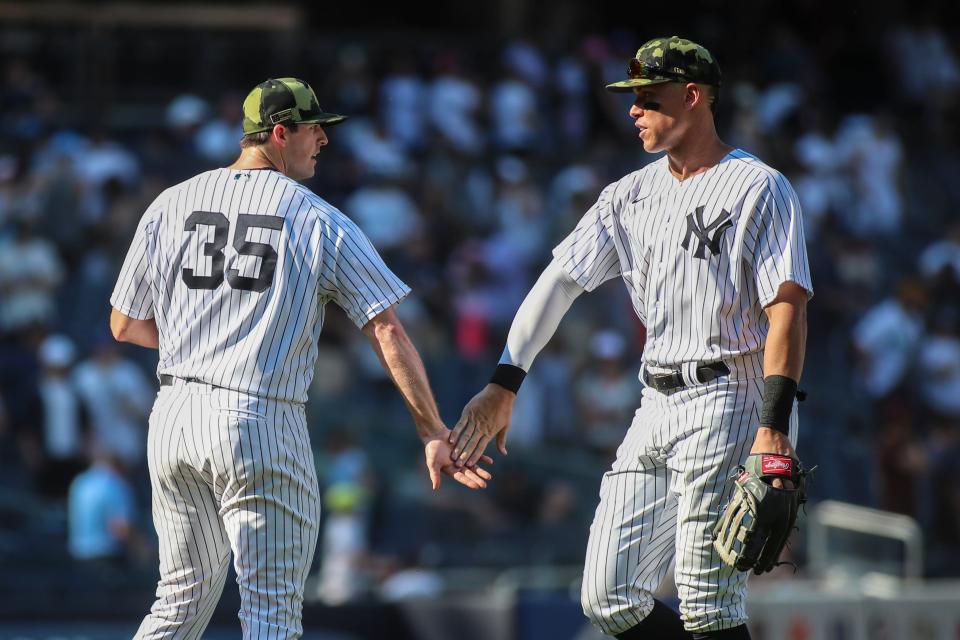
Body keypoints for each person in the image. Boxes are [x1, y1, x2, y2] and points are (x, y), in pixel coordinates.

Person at [450, 37, 812, 639]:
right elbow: (559, 282)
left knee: (708, 603)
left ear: (692, 96)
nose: (632, 110)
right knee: (608, 596)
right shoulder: (628, 195)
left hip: (734, 395)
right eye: (632, 98)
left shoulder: (759, 186)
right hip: (654, 400)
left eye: (647, 97)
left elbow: (788, 310)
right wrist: (503, 383)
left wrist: (773, 428)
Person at [109, 77, 492, 639]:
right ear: (280, 133)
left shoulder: (171, 202)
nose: (324, 140)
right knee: (270, 616)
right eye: (315, 129)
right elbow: (385, 327)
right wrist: (432, 429)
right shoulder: (316, 217)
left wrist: (207, 342)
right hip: (257, 417)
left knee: (178, 604)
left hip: (173, 417)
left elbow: (123, 324)